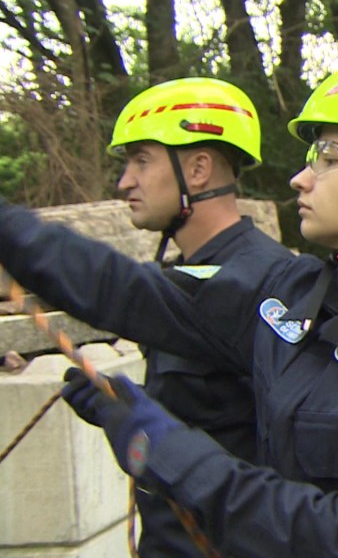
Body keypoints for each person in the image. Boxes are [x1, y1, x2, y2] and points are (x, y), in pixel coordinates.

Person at [0, 56, 338, 557]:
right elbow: (127, 291)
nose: (300, 179)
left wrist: (172, 453)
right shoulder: (287, 294)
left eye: (328, 159)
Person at [46, 77, 296, 557]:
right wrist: (125, 407)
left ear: (199, 169)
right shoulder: (198, 271)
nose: (125, 182)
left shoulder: (258, 281)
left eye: (142, 160)